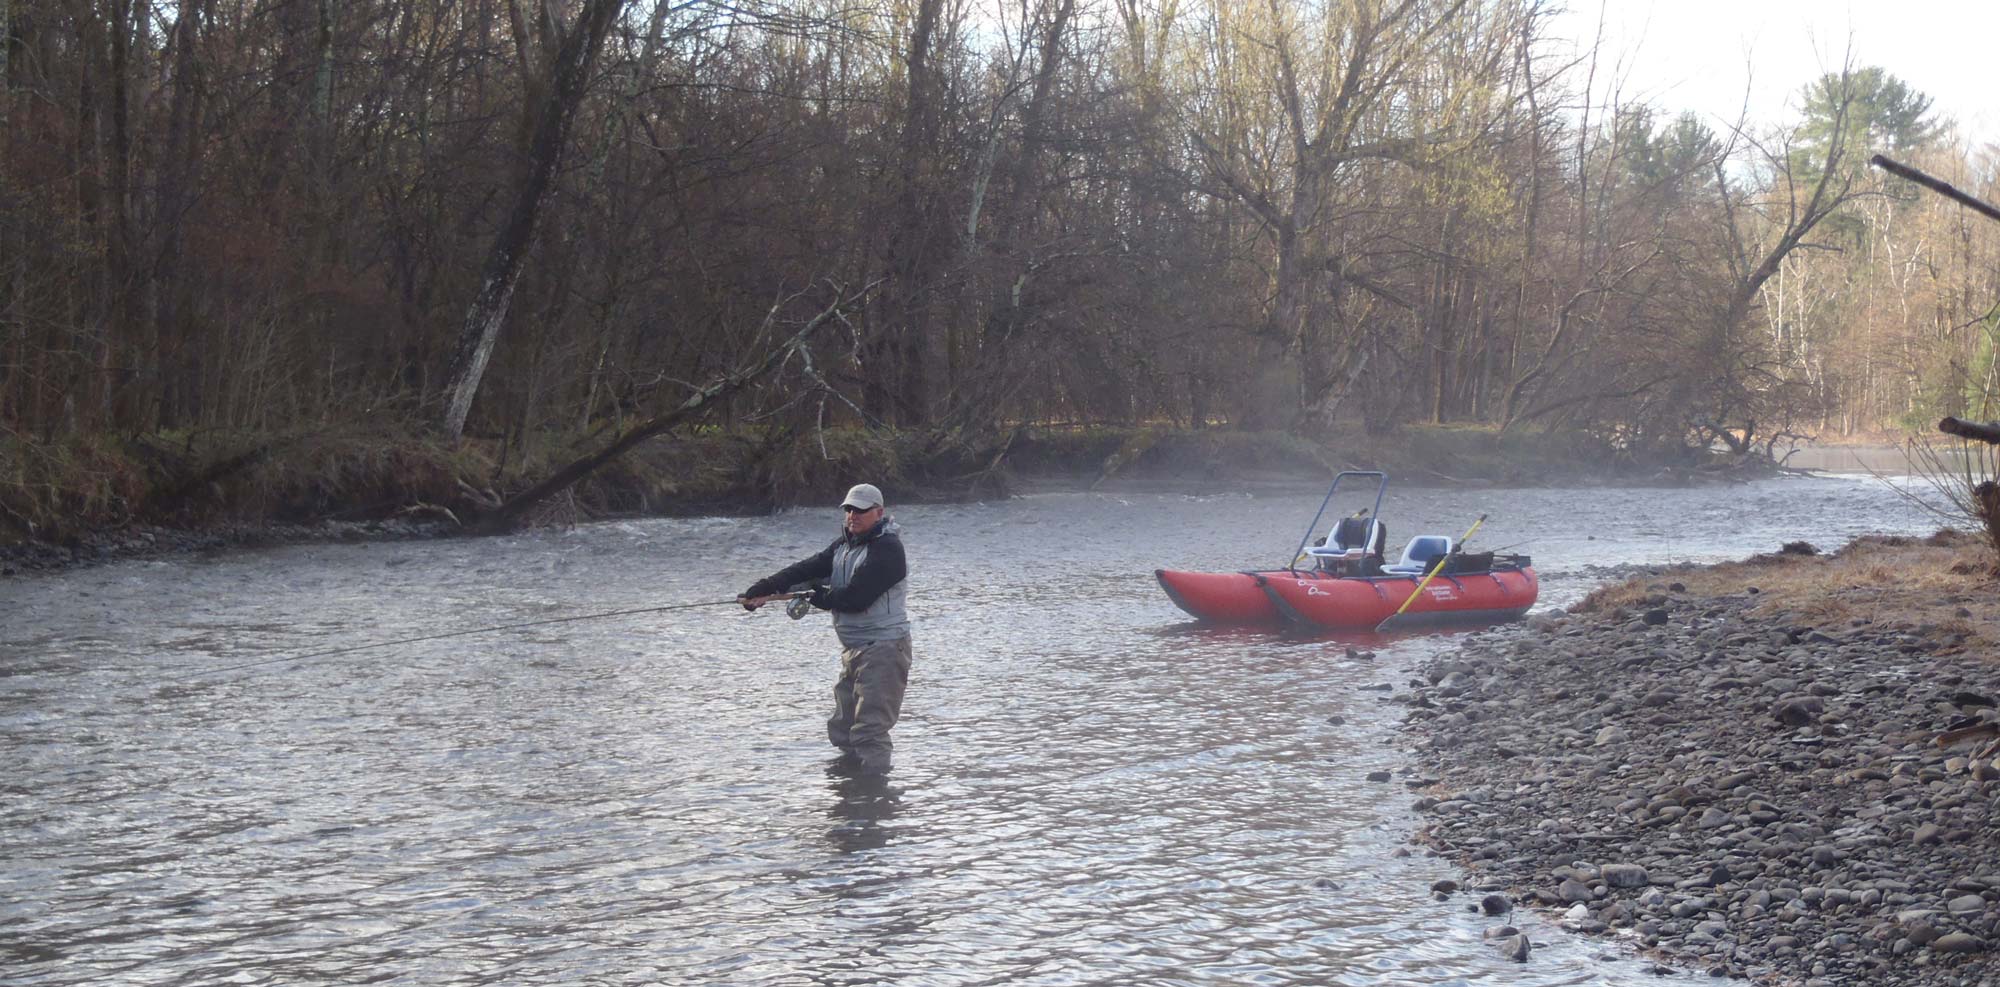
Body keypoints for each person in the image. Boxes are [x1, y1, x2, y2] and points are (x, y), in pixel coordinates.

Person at [740, 483, 912, 777]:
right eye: (849, 510)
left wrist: (819, 598)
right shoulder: (843, 546)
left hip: (884, 649)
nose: (853, 516)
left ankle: (874, 801)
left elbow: (857, 598)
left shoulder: (889, 550)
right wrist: (766, 588)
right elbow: (808, 570)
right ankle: (849, 788)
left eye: (860, 510)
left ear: (879, 513)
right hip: (855, 650)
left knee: (870, 730)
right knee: (842, 726)